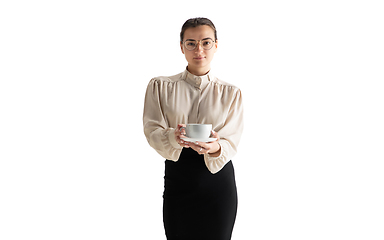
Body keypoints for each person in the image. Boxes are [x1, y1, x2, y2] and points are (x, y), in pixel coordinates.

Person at [143, 17, 244, 240]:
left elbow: (232, 140)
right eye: (191, 43)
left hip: (218, 180)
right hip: (179, 177)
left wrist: (215, 145)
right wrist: (174, 136)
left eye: (206, 42)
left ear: (216, 45)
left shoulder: (231, 93)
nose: (199, 49)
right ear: (182, 47)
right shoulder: (160, 86)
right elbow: (152, 130)